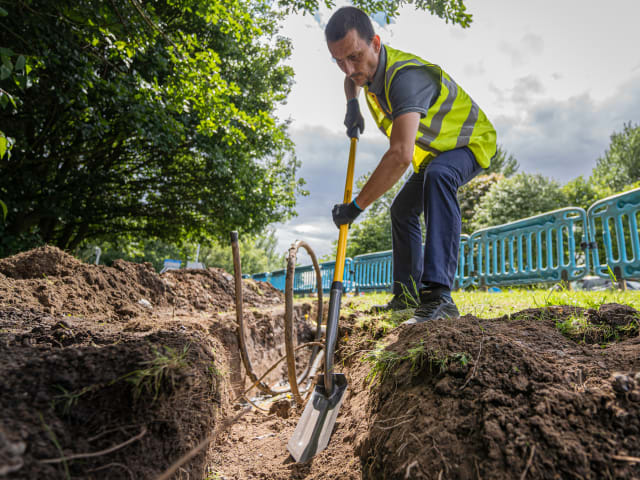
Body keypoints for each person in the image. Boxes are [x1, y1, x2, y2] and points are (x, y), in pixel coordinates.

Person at [326, 6, 497, 324]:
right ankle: (405, 296)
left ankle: (439, 297)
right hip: (435, 153)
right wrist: (353, 106)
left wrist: (355, 207)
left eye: (355, 57)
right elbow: (352, 80)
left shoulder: (406, 78)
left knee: (439, 176)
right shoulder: (362, 72)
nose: (349, 69)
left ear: (375, 43)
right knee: (402, 210)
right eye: (339, 61)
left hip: (468, 143)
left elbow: (401, 155)